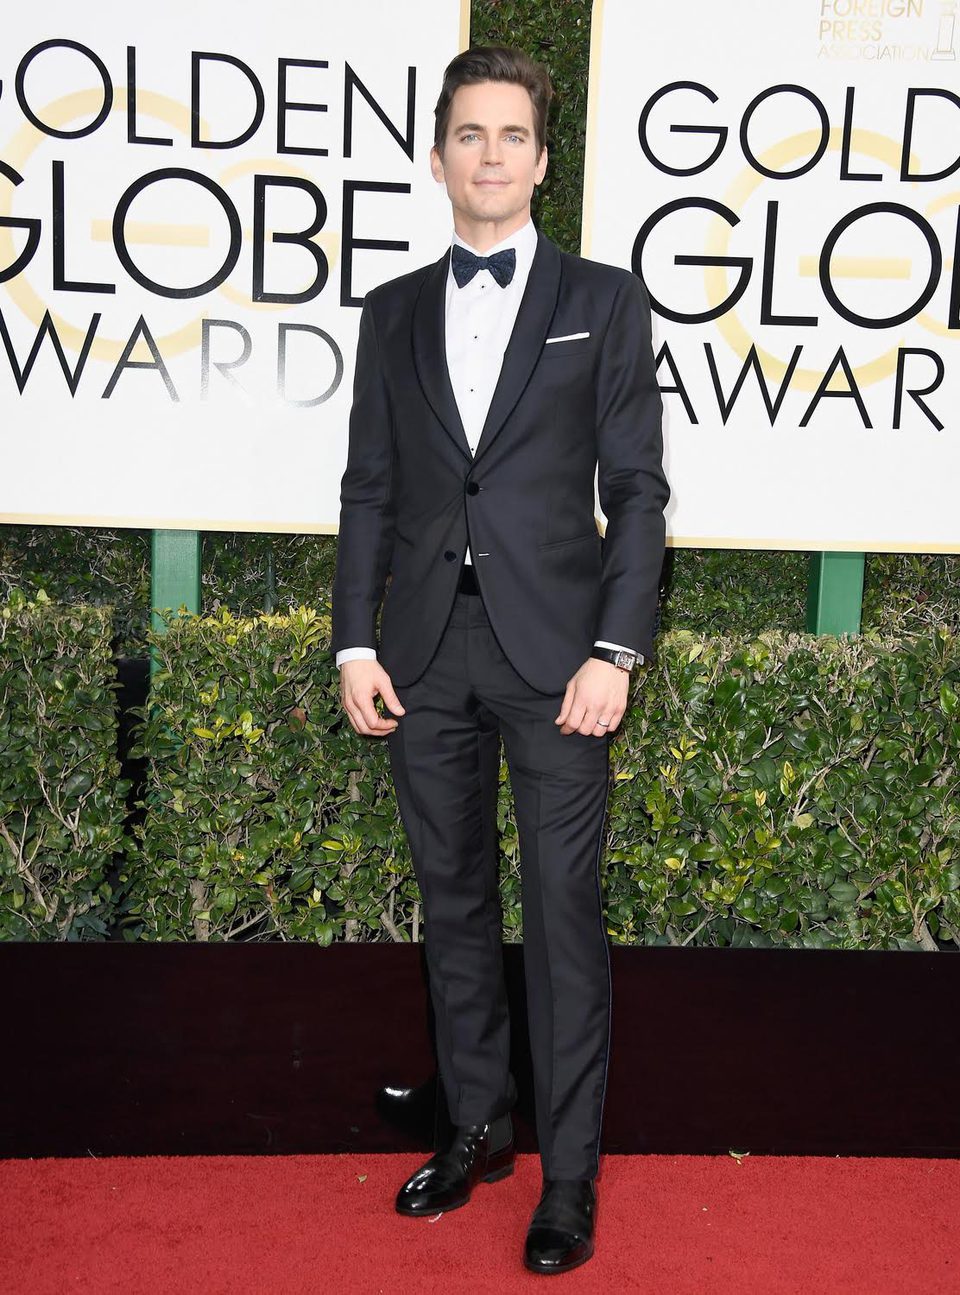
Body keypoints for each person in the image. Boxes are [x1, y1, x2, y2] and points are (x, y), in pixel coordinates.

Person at [331, 44, 669, 1276]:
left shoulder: (606, 299)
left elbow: (636, 494)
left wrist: (616, 648)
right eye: (469, 134)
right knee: (456, 904)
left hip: (557, 663)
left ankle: (568, 1180)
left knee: (563, 918)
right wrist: (355, 638)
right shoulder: (393, 312)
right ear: (438, 157)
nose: (491, 156)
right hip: (424, 653)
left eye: (512, 136)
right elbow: (371, 486)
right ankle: (476, 1124)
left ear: (541, 158)